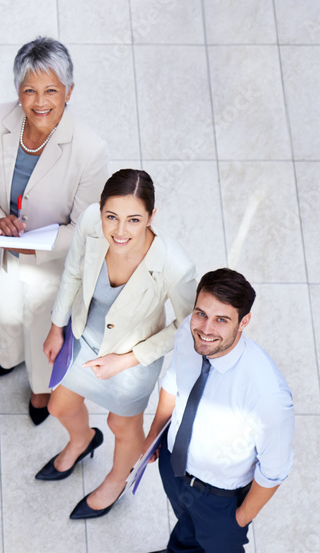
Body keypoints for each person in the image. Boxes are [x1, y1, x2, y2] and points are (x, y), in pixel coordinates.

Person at [120, 268, 294, 553]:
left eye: (221, 320)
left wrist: (238, 520)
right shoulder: (190, 334)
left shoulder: (268, 395)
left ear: (243, 322)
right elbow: (173, 385)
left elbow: (274, 471)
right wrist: (151, 444)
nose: (206, 328)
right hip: (175, 466)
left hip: (222, 496)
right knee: (187, 523)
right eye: (201, 313)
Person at [0, 36, 109, 424]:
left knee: (44, 326)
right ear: (18, 91)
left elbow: (86, 227)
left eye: (51, 91)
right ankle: (9, 359)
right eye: (29, 90)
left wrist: (38, 250)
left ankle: (41, 390)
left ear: (69, 92)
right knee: (6, 312)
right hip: (2, 247)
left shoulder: (90, 150)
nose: (40, 101)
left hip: (53, 265)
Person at [39, 169, 196, 519]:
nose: (120, 231)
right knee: (58, 407)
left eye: (134, 220)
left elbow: (187, 328)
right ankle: (82, 441)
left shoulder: (175, 264)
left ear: (152, 217)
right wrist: (56, 327)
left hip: (133, 358)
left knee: (121, 426)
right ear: (100, 210)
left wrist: (125, 360)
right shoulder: (89, 223)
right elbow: (74, 272)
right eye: (111, 217)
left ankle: (116, 479)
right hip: (84, 337)